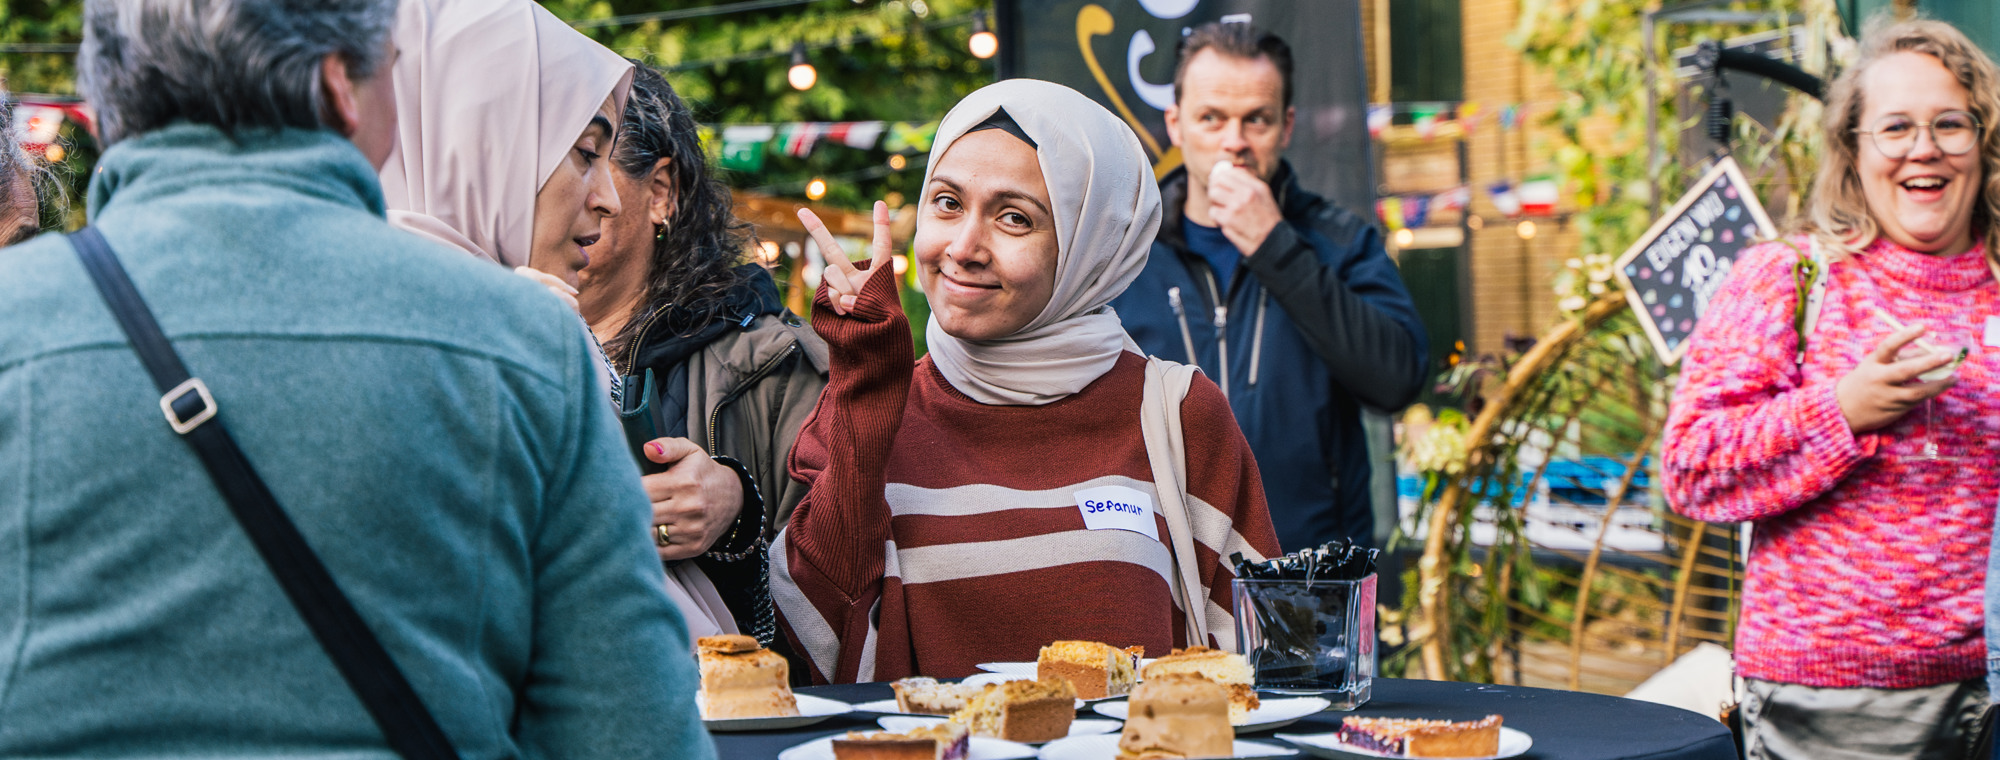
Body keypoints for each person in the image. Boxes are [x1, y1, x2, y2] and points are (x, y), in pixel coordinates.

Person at [0, 0, 712, 757]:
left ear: (110, 99)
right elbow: (631, 731)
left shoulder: (17, 326)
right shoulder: (523, 343)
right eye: (391, 73)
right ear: (343, 84)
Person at [772, 79, 1282, 685]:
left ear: (1091, 247)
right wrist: (867, 393)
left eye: (1014, 218)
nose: (963, 248)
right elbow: (808, 640)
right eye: (947, 203)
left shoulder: (1175, 413)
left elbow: (1263, 661)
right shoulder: (874, 405)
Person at [1664, 18, 2000, 758]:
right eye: (1896, 128)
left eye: (1951, 124)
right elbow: (1691, 470)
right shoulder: (1791, 278)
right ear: (1853, 148)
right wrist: (1842, 411)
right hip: (1836, 705)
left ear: (1985, 142)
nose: (1926, 147)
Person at [375, 0, 752, 636]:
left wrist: (730, 504)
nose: (606, 198)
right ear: (481, 149)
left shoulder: (470, 317)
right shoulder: (451, 342)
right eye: (584, 153)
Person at [1109, 21, 1426, 553]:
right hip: (1160, 571)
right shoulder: (1125, 252)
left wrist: (1274, 245)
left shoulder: (1339, 241)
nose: (1234, 142)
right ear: (1176, 125)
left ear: (1286, 126)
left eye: (1255, 119)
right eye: (1211, 118)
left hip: (1311, 575)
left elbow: (1396, 379)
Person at [580, 62, 828, 647]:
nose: (572, 192)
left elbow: (838, 603)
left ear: (660, 192)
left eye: (592, 158)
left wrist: (738, 512)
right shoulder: (498, 347)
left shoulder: (774, 362)